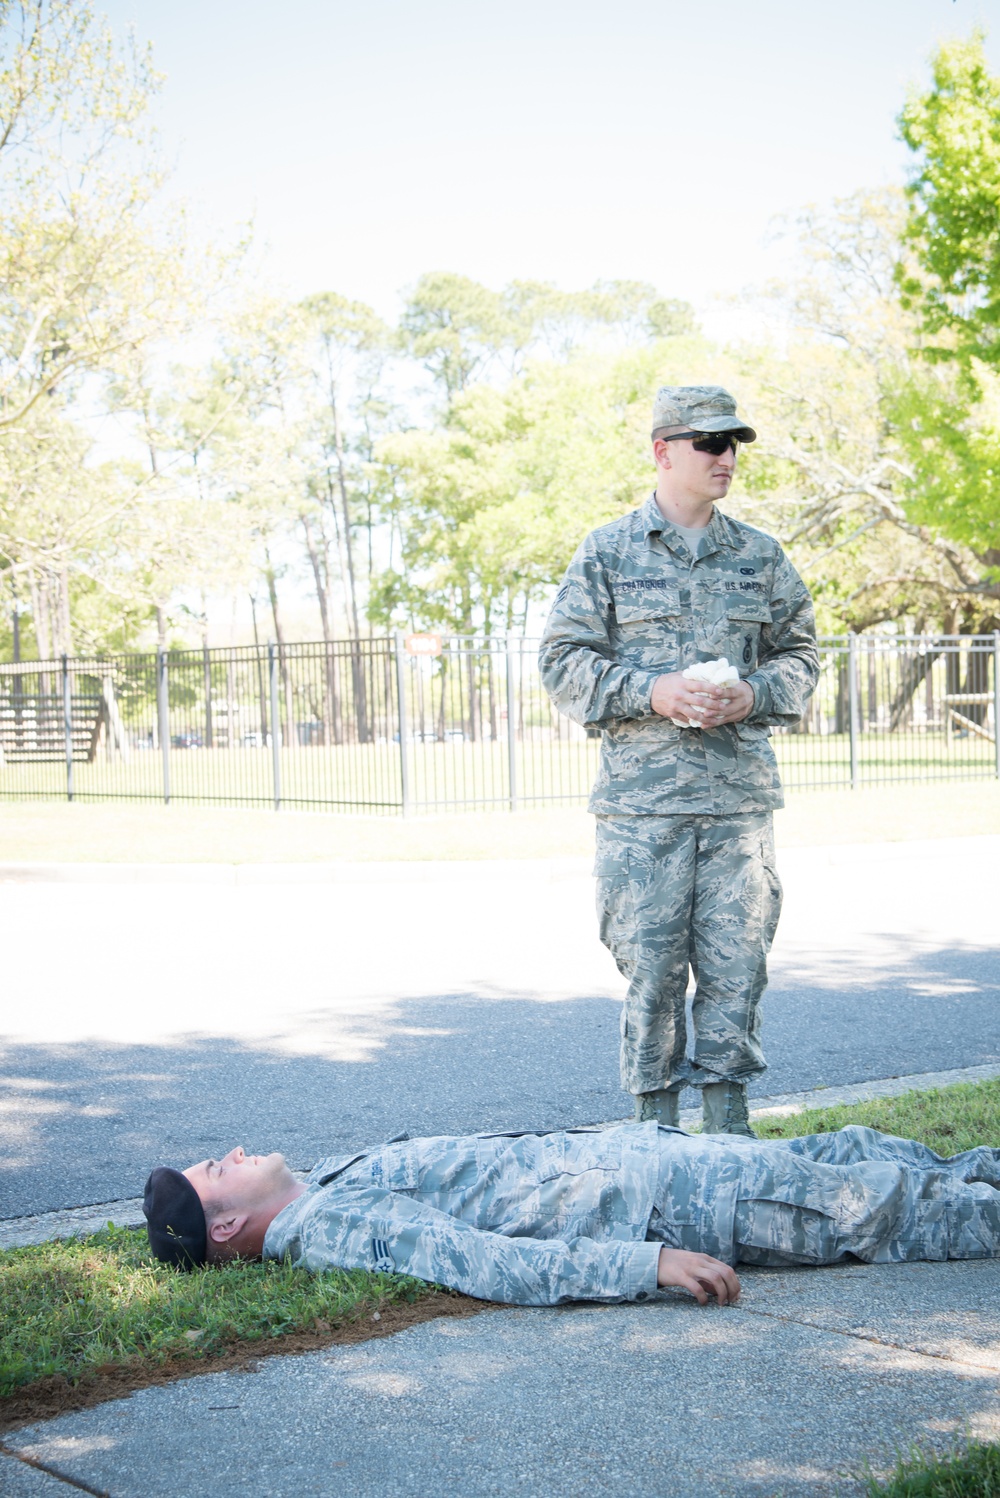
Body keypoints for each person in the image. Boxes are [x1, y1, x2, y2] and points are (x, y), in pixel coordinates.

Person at [538, 385, 819, 1136]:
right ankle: (653, 1135)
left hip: (736, 803)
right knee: (651, 973)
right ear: (664, 451)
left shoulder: (760, 556)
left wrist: (754, 695)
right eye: (710, 443)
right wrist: (650, 690)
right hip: (644, 808)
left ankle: (728, 1130)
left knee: (737, 969)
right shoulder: (608, 551)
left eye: (733, 444)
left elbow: (801, 655)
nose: (726, 457)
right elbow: (561, 661)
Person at [143, 1123, 1000, 1307]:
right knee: (898, 1206)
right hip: (684, 1203)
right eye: (220, 1171)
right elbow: (488, 1263)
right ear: (224, 1227)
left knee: (873, 1152)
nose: (239, 1153)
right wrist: (648, 1261)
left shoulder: (317, 1191)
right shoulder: (333, 1228)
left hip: (676, 1159)